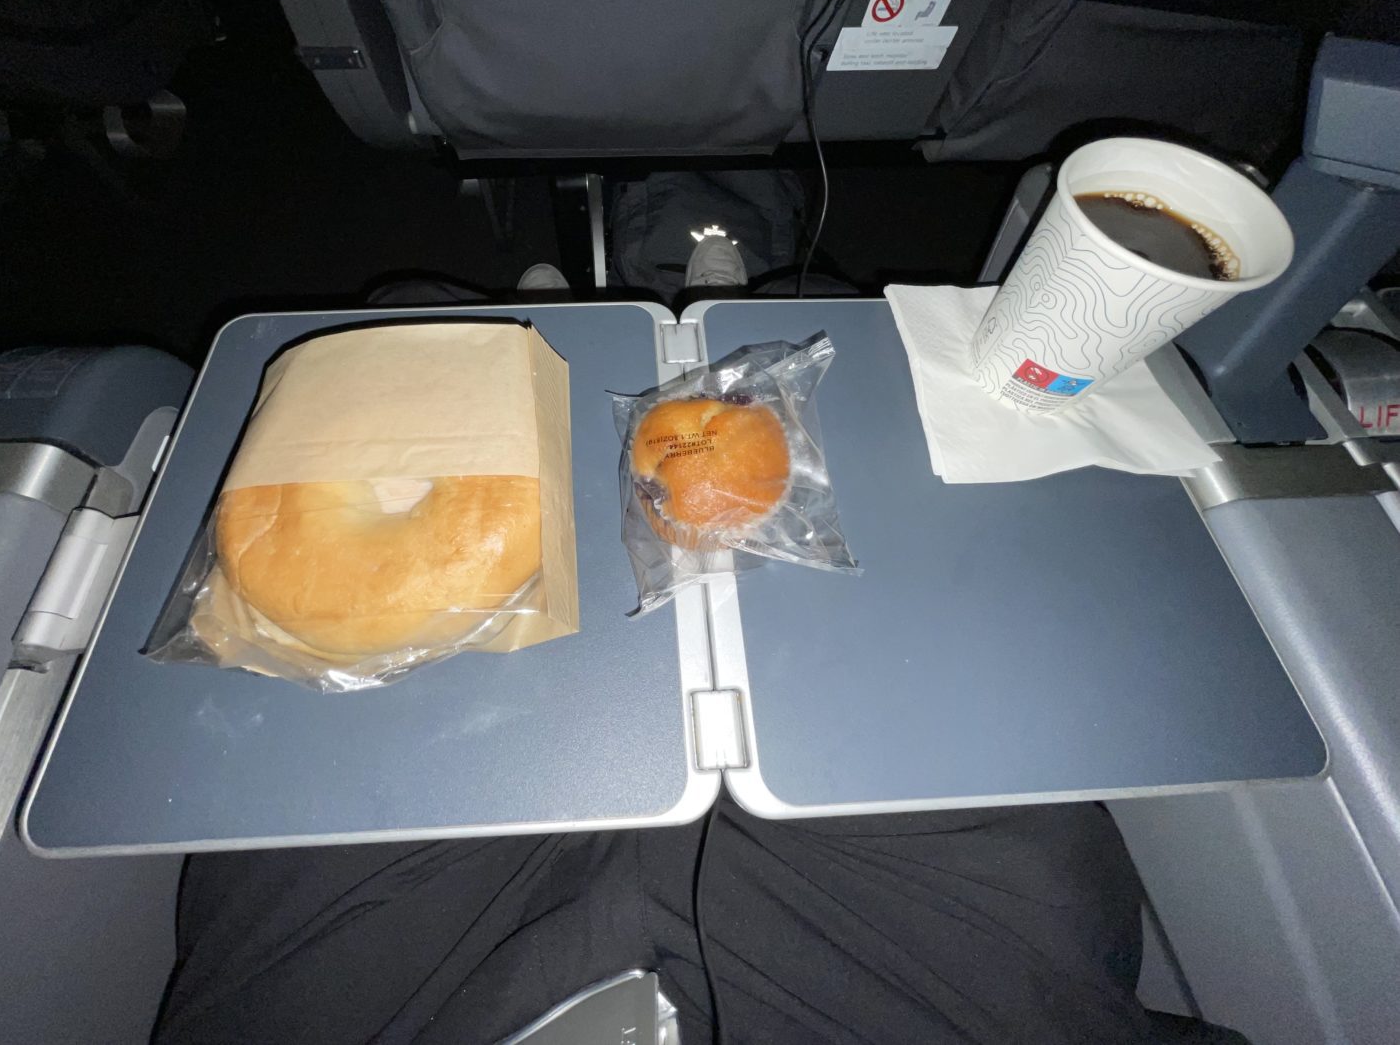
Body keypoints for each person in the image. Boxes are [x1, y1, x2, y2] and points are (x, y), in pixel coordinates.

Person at [156, 241, 1246, 1044]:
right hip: (923, 987)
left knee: (404, 355)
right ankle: (714, 292)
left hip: (378, 991)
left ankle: (543, 317)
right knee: (883, 529)